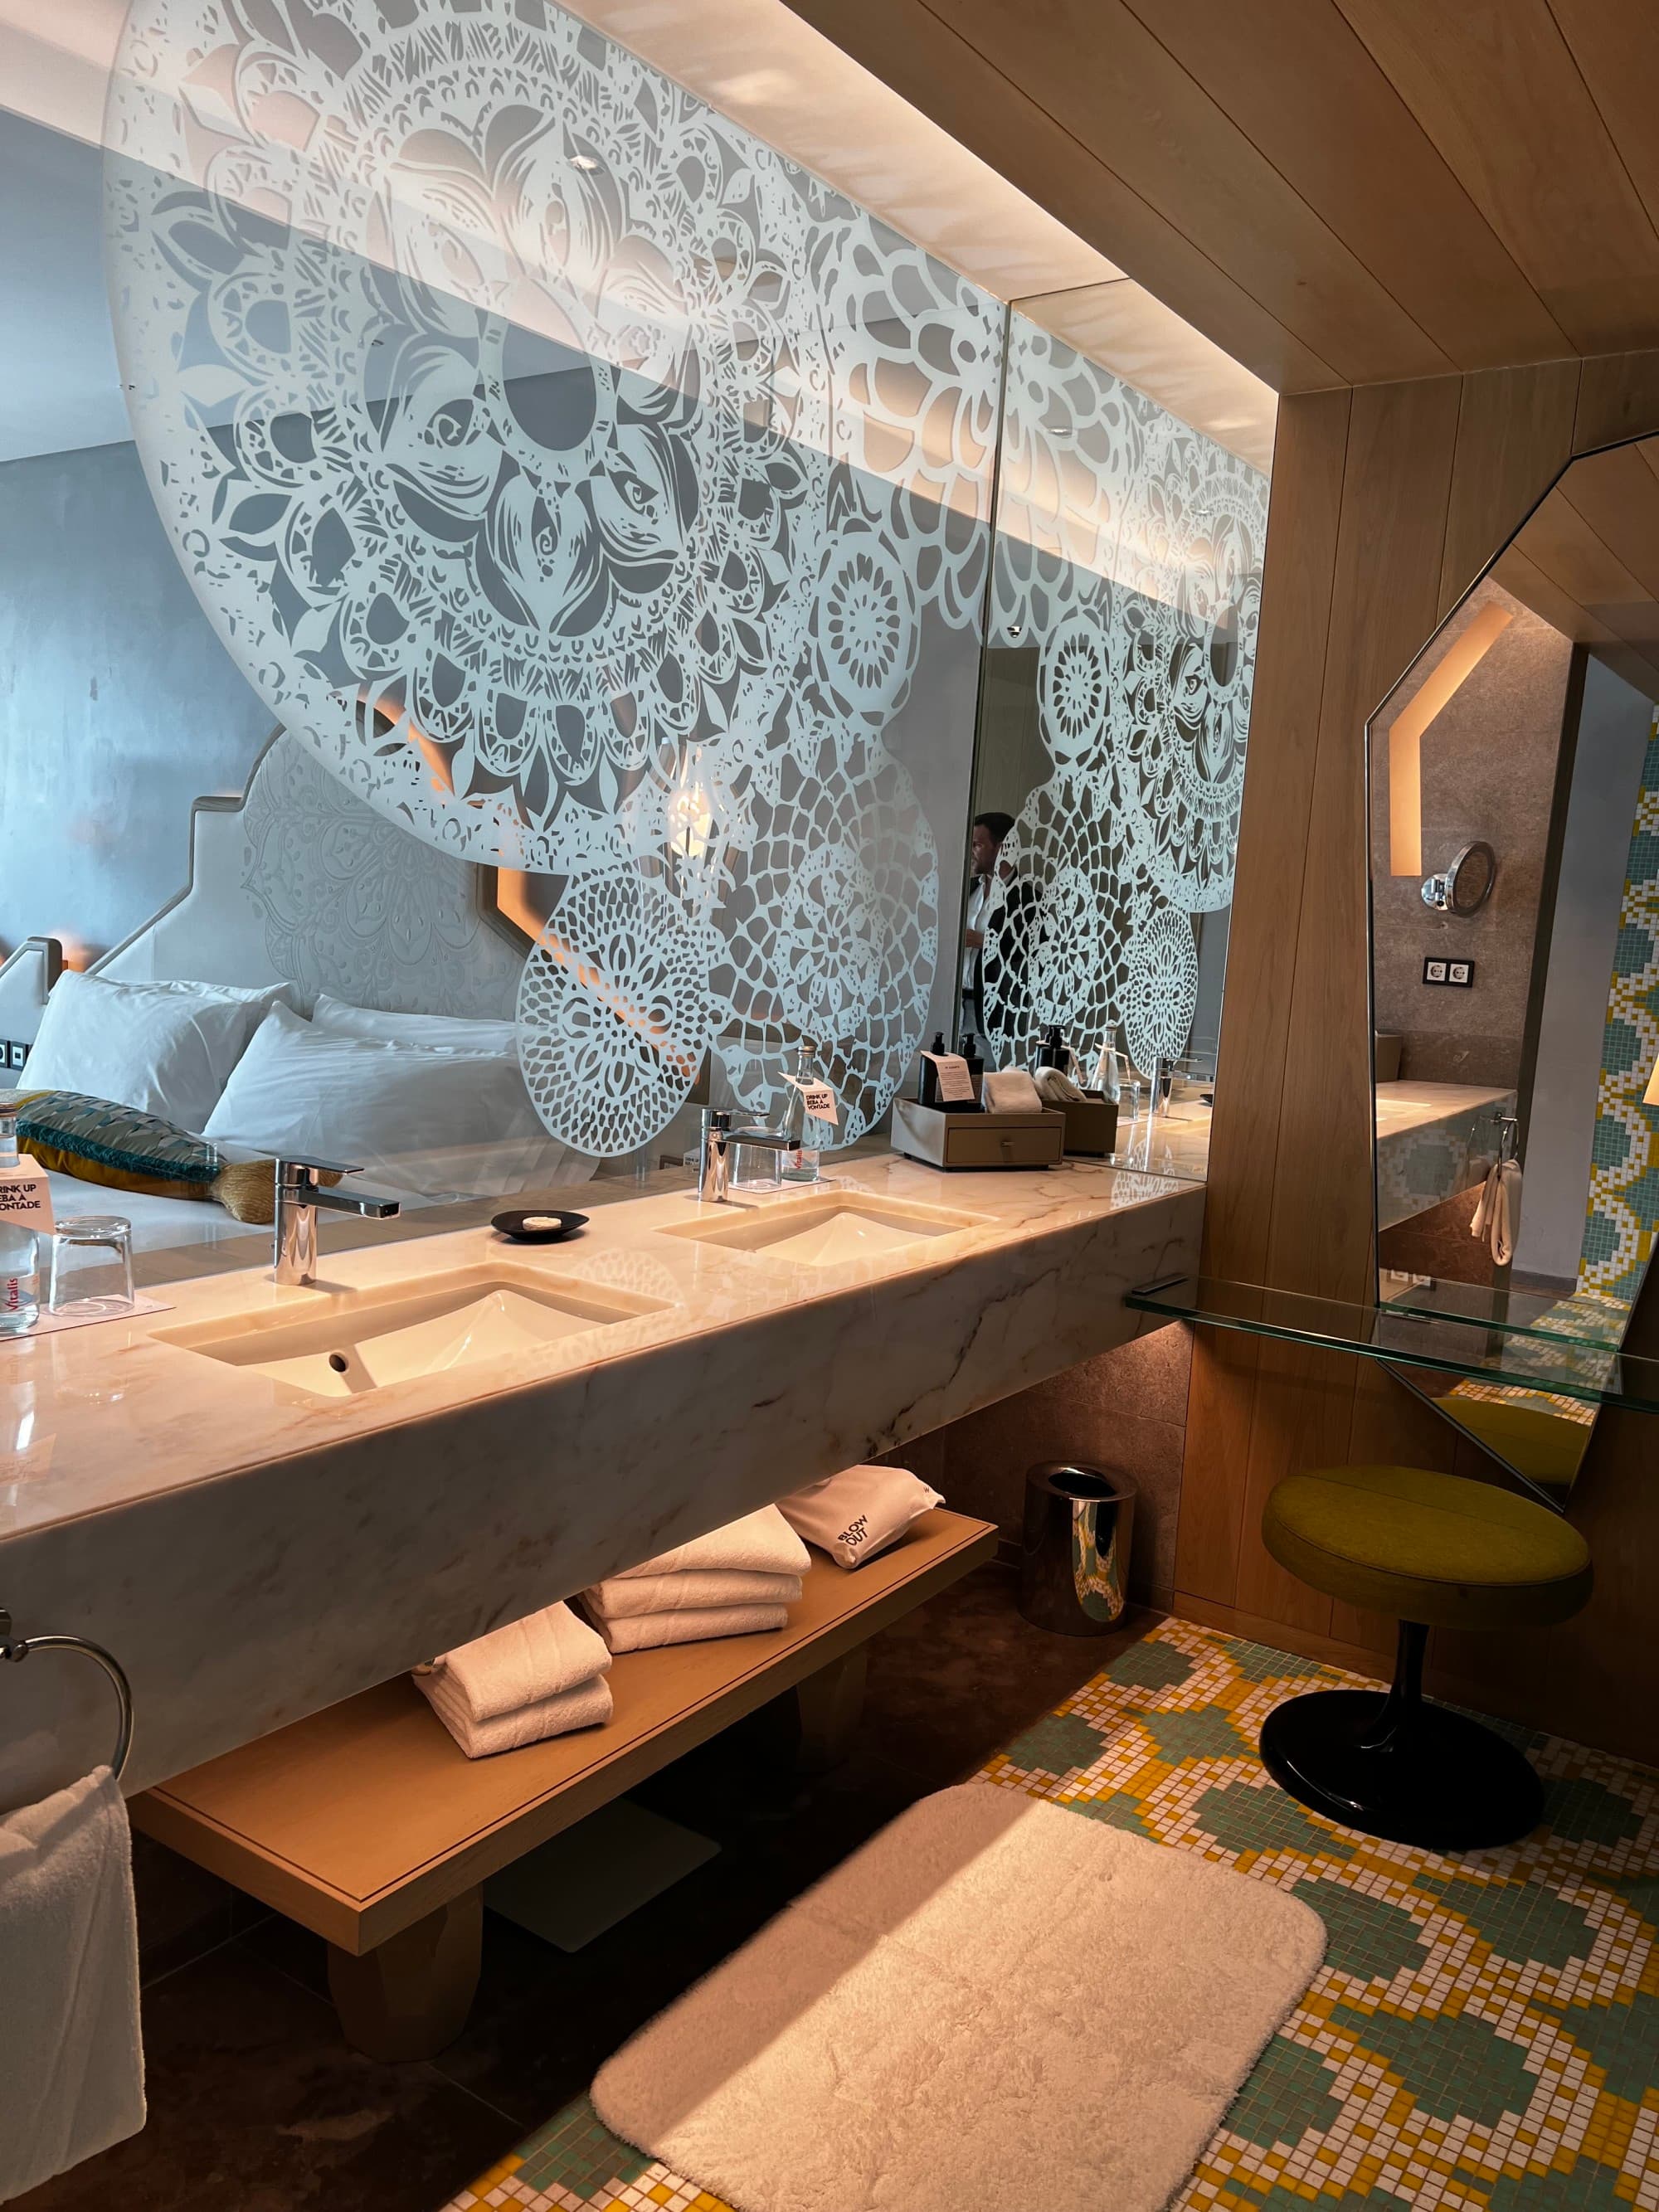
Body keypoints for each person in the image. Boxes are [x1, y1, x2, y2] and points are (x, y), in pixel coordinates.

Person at [961, 810, 1015, 1042]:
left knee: (986, 1079)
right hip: (953, 1009)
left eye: (977, 845)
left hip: (992, 1015)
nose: (971, 852)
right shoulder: (966, 889)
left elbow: (1031, 954)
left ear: (1001, 848)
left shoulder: (1026, 899)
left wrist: (983, 941)